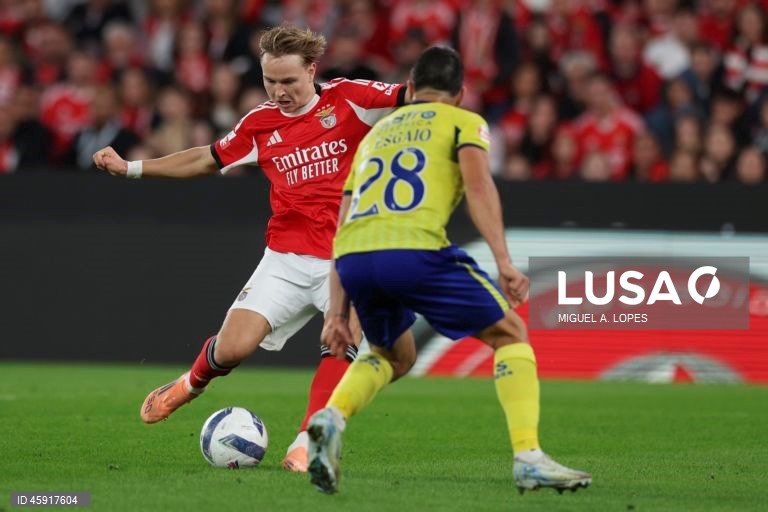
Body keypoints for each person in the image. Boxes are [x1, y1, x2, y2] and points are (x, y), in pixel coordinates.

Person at [92, 25, 406, 473]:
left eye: (289, 81)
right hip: (286, 258)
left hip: (349, 257)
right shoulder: (260, 123)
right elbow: (205, 158)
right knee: (232, 349)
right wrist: (132, 168)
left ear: (311, 71)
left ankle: (308, 442)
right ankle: (189, 384)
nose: (279, 92)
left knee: (341, 341)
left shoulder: (352, 98)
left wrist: (444, 88)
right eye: (270, 81)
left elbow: (415, 95)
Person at [307, 46, 592, 494]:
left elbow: (342, 227)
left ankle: (331, 416)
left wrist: (337, 314)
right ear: (459, 94)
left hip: (356, 258)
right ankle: (528, 457)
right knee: (510, 334)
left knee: (393, 355)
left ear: (411, 87)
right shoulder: (463, 122)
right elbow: (478, 187)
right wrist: (503, 261)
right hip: (414, 251)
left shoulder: (374, 136)